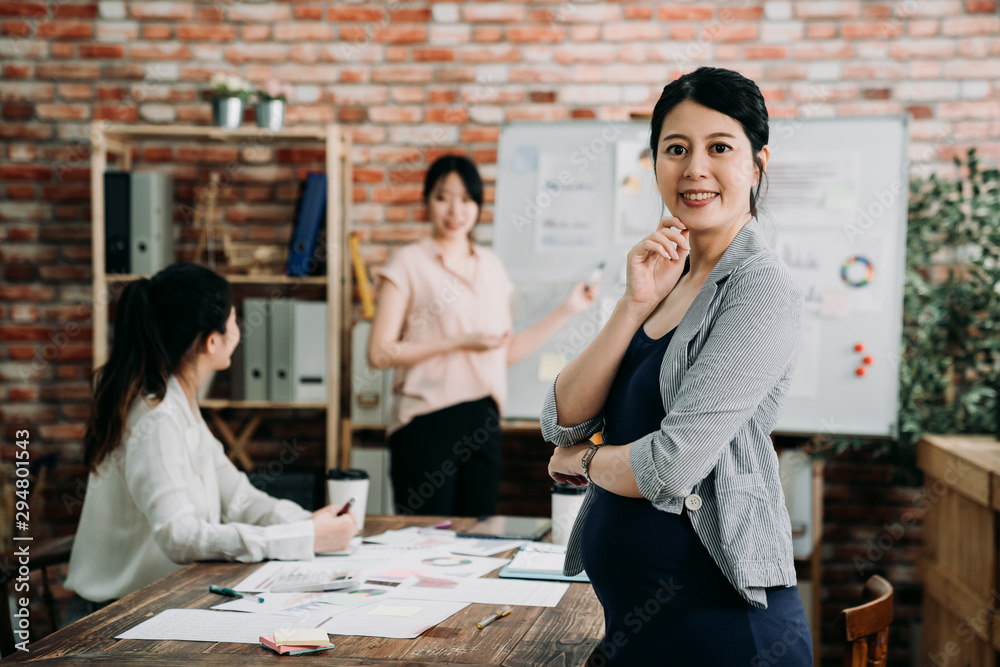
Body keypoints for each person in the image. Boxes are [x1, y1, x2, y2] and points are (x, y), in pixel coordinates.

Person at [542, 67, 812, 665]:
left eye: (719, 147)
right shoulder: (668, 276)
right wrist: (633, 303)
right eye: (676, 149)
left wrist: (584, 460)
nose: (694, 169)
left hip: (722, 630)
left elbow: (670, 467)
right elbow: (562, 419)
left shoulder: (759, 287)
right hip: (639, 631)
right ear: (656, 162)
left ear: (757, 163)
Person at [64, 263, 357, 624]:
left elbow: (239, 497)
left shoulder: (180, 406)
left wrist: (308, 523)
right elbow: (180, 537)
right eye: (234, 318)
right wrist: (303, 537)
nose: (239, 328)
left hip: (155, 607)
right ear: (212, 340)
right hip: (112, 620)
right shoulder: (157, 421)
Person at [368, 155, 598, 517]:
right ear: (426, 201)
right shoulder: (408, 263)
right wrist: (459, 342)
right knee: (426, 542)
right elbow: (379, 353)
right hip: (427, 421)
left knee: (479, 540)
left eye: (466, 199)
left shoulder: (491, 267)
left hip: (484, 420)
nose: (455, 209)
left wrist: (568, 309)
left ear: (478, 205)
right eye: (443, 197)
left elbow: (503, 352)